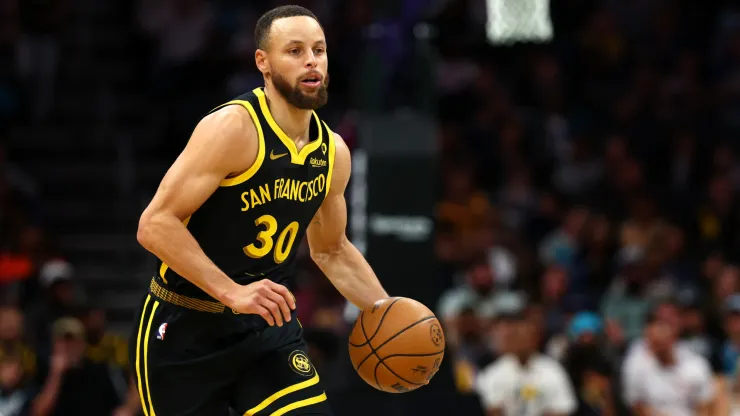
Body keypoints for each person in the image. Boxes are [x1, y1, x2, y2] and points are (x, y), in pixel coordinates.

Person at [132, 5, 388, 416]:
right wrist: (231, 292)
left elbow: (331, 250)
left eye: (319, 50)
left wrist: (384, 311)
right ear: (263, 63)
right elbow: (155, 224)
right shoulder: (233, 128)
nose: (311, 61)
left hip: (267, 329)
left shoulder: (333, 152)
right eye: (295, 50)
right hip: (185, 328)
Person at [475, 304, 577, 416]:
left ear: (536, 339)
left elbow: (562, 410)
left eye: (527, 336)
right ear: (511, 339)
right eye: (518, 336)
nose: (523, 342)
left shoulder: (553, 370)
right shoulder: (494, 372)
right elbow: (492, 410)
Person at [622, 307, 715, 416]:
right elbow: (638, 407)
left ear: (673, 337)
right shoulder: (636, 365)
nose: (658, 346)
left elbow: (705, 404)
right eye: (654, 343)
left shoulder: (695, 364)